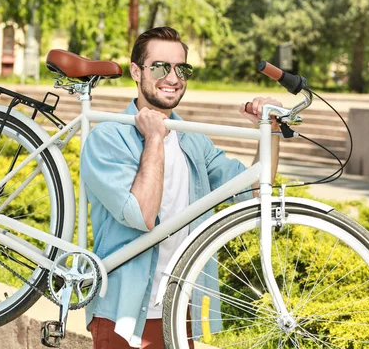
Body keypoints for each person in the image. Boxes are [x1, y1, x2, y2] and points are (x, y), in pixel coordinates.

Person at [81, 26, 282, 348]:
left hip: (177, 308)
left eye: (181, 68)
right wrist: (155, 137)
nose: (173, 78)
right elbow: (141, 215)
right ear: (136, 71)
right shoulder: (107, 137)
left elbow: (256, 191)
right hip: (123, 311)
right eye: (160, 67)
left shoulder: (193, 140)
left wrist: (270, 131)